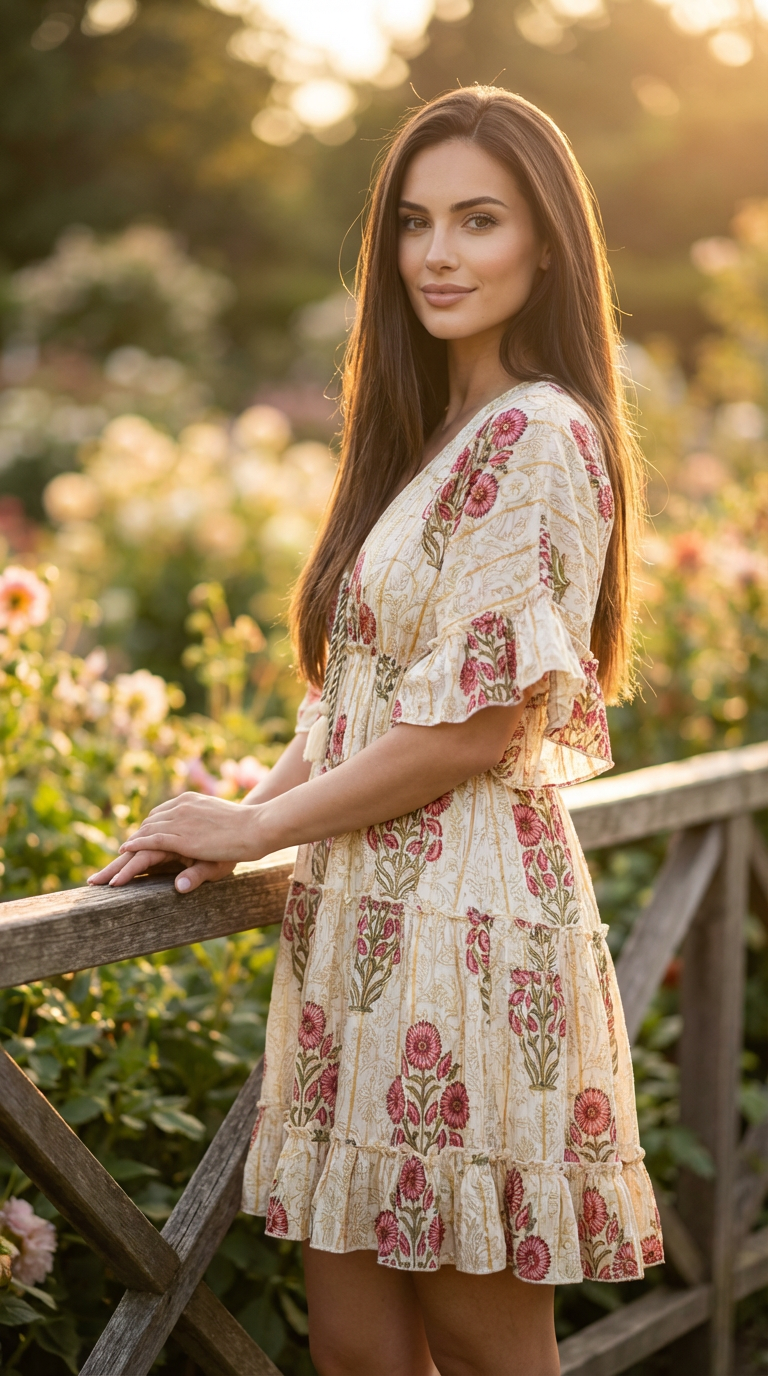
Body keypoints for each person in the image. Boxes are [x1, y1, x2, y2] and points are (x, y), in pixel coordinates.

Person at [91, 86, 663, 1376]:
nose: (439, 254)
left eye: (479, 219)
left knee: (481, 1346)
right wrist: (247, 809)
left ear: (547, 244)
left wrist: (260, 825)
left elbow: (475, 726)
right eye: (415, 222)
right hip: (358, 926)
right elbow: (362, 692)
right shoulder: (426, 434)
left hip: (470, 932)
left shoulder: (541, 435)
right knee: (354, 1347)